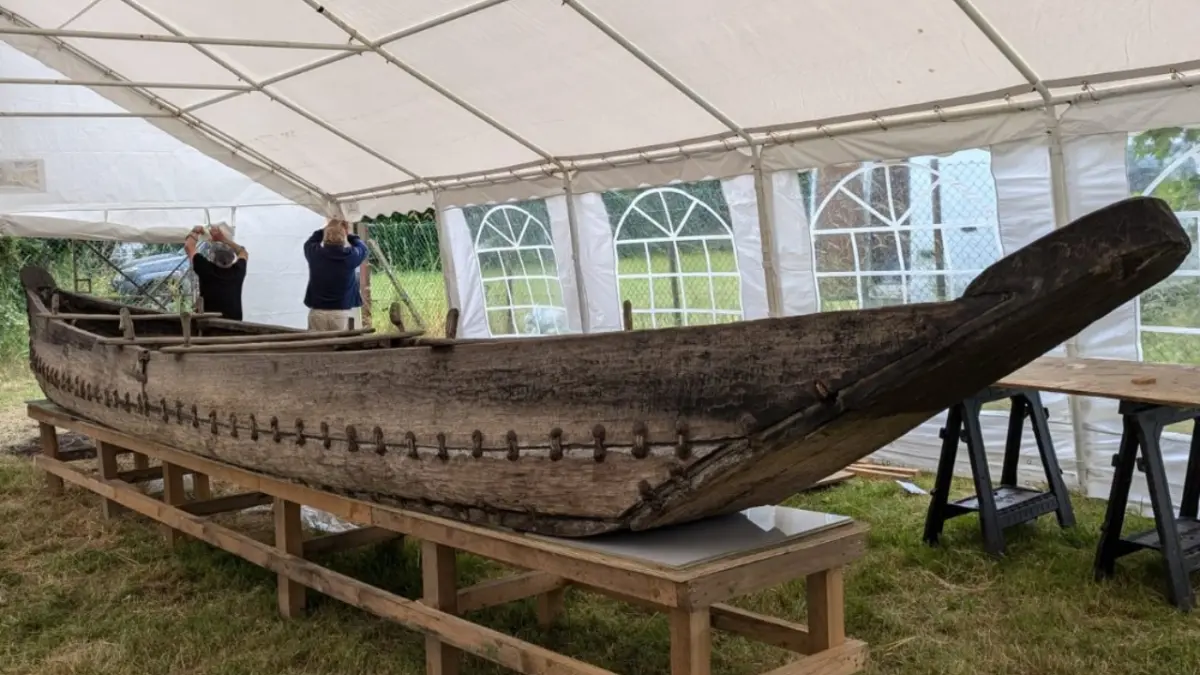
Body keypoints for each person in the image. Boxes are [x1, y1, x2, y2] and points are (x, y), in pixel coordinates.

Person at [303, 218, 368, 331]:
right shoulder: (350, 257)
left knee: (316, 347)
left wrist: (326, 228)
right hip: (341, 313)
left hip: (318, 312)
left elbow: (310, 242)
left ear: (326, 237)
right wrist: (350, 234)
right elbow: (363, 248)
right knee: (341, 347)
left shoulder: (315, 254)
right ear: (343, 238)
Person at [184, 225, 248, 321]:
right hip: (234, 325)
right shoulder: (238, 271)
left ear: (212, 256)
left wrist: (196, 231)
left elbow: (188, 246)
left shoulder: (206, 268)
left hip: (209, 326)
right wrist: (224, 239)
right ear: (232, 257)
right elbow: (243, 252)